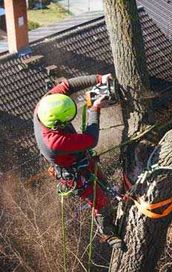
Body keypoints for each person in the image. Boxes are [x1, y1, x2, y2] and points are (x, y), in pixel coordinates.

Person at [33, 74, 123, 249]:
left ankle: (113, 202)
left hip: (81, 158)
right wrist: (94, 109)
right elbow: (91, 139)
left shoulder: (45, 105)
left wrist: (99, 78)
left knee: (103, 183)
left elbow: (67, 86)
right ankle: (108, 233)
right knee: (99, 200)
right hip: (74, 173)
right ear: (58, 124)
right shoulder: (54, 143)